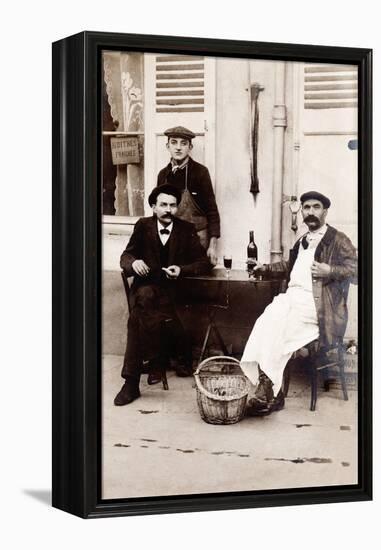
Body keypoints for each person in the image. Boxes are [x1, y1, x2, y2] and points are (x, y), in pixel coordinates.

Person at [240, 191, 358, 415]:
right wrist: (263, 268)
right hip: (291, 299)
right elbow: (288, 266)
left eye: (316, 207)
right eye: (307, 208)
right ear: (302, 211)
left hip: (319, 308)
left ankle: (271, 394)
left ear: (325, 211)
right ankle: (271, 391)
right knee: (266, 321)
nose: (311, 212)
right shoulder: (302, 240)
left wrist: (330, 270)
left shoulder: (337, 239)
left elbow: (361, 271)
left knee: (278, 329)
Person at [114, 183, 212, 406]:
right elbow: (125, 256)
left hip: (173, 296)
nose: (169, 210)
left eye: (173, 205)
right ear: (153, 207)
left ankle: (135, 379)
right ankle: (152, 364)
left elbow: (202, 263)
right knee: (145, 298)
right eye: (163, 205)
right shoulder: (143, 226)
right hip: (146, 290)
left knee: (136, 317)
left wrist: (182, 270)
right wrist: (134, 262)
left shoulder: (186, 229)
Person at [157, 126, 220, 265]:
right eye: (174, 142)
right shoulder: (163, 175)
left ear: (190, 147)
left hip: (197, 239)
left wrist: (213, 245)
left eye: (183, 143)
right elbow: (159, 212)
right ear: (167, 146)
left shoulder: (200, 172)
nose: (178, 148)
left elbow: (212, 210)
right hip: (172, 240)